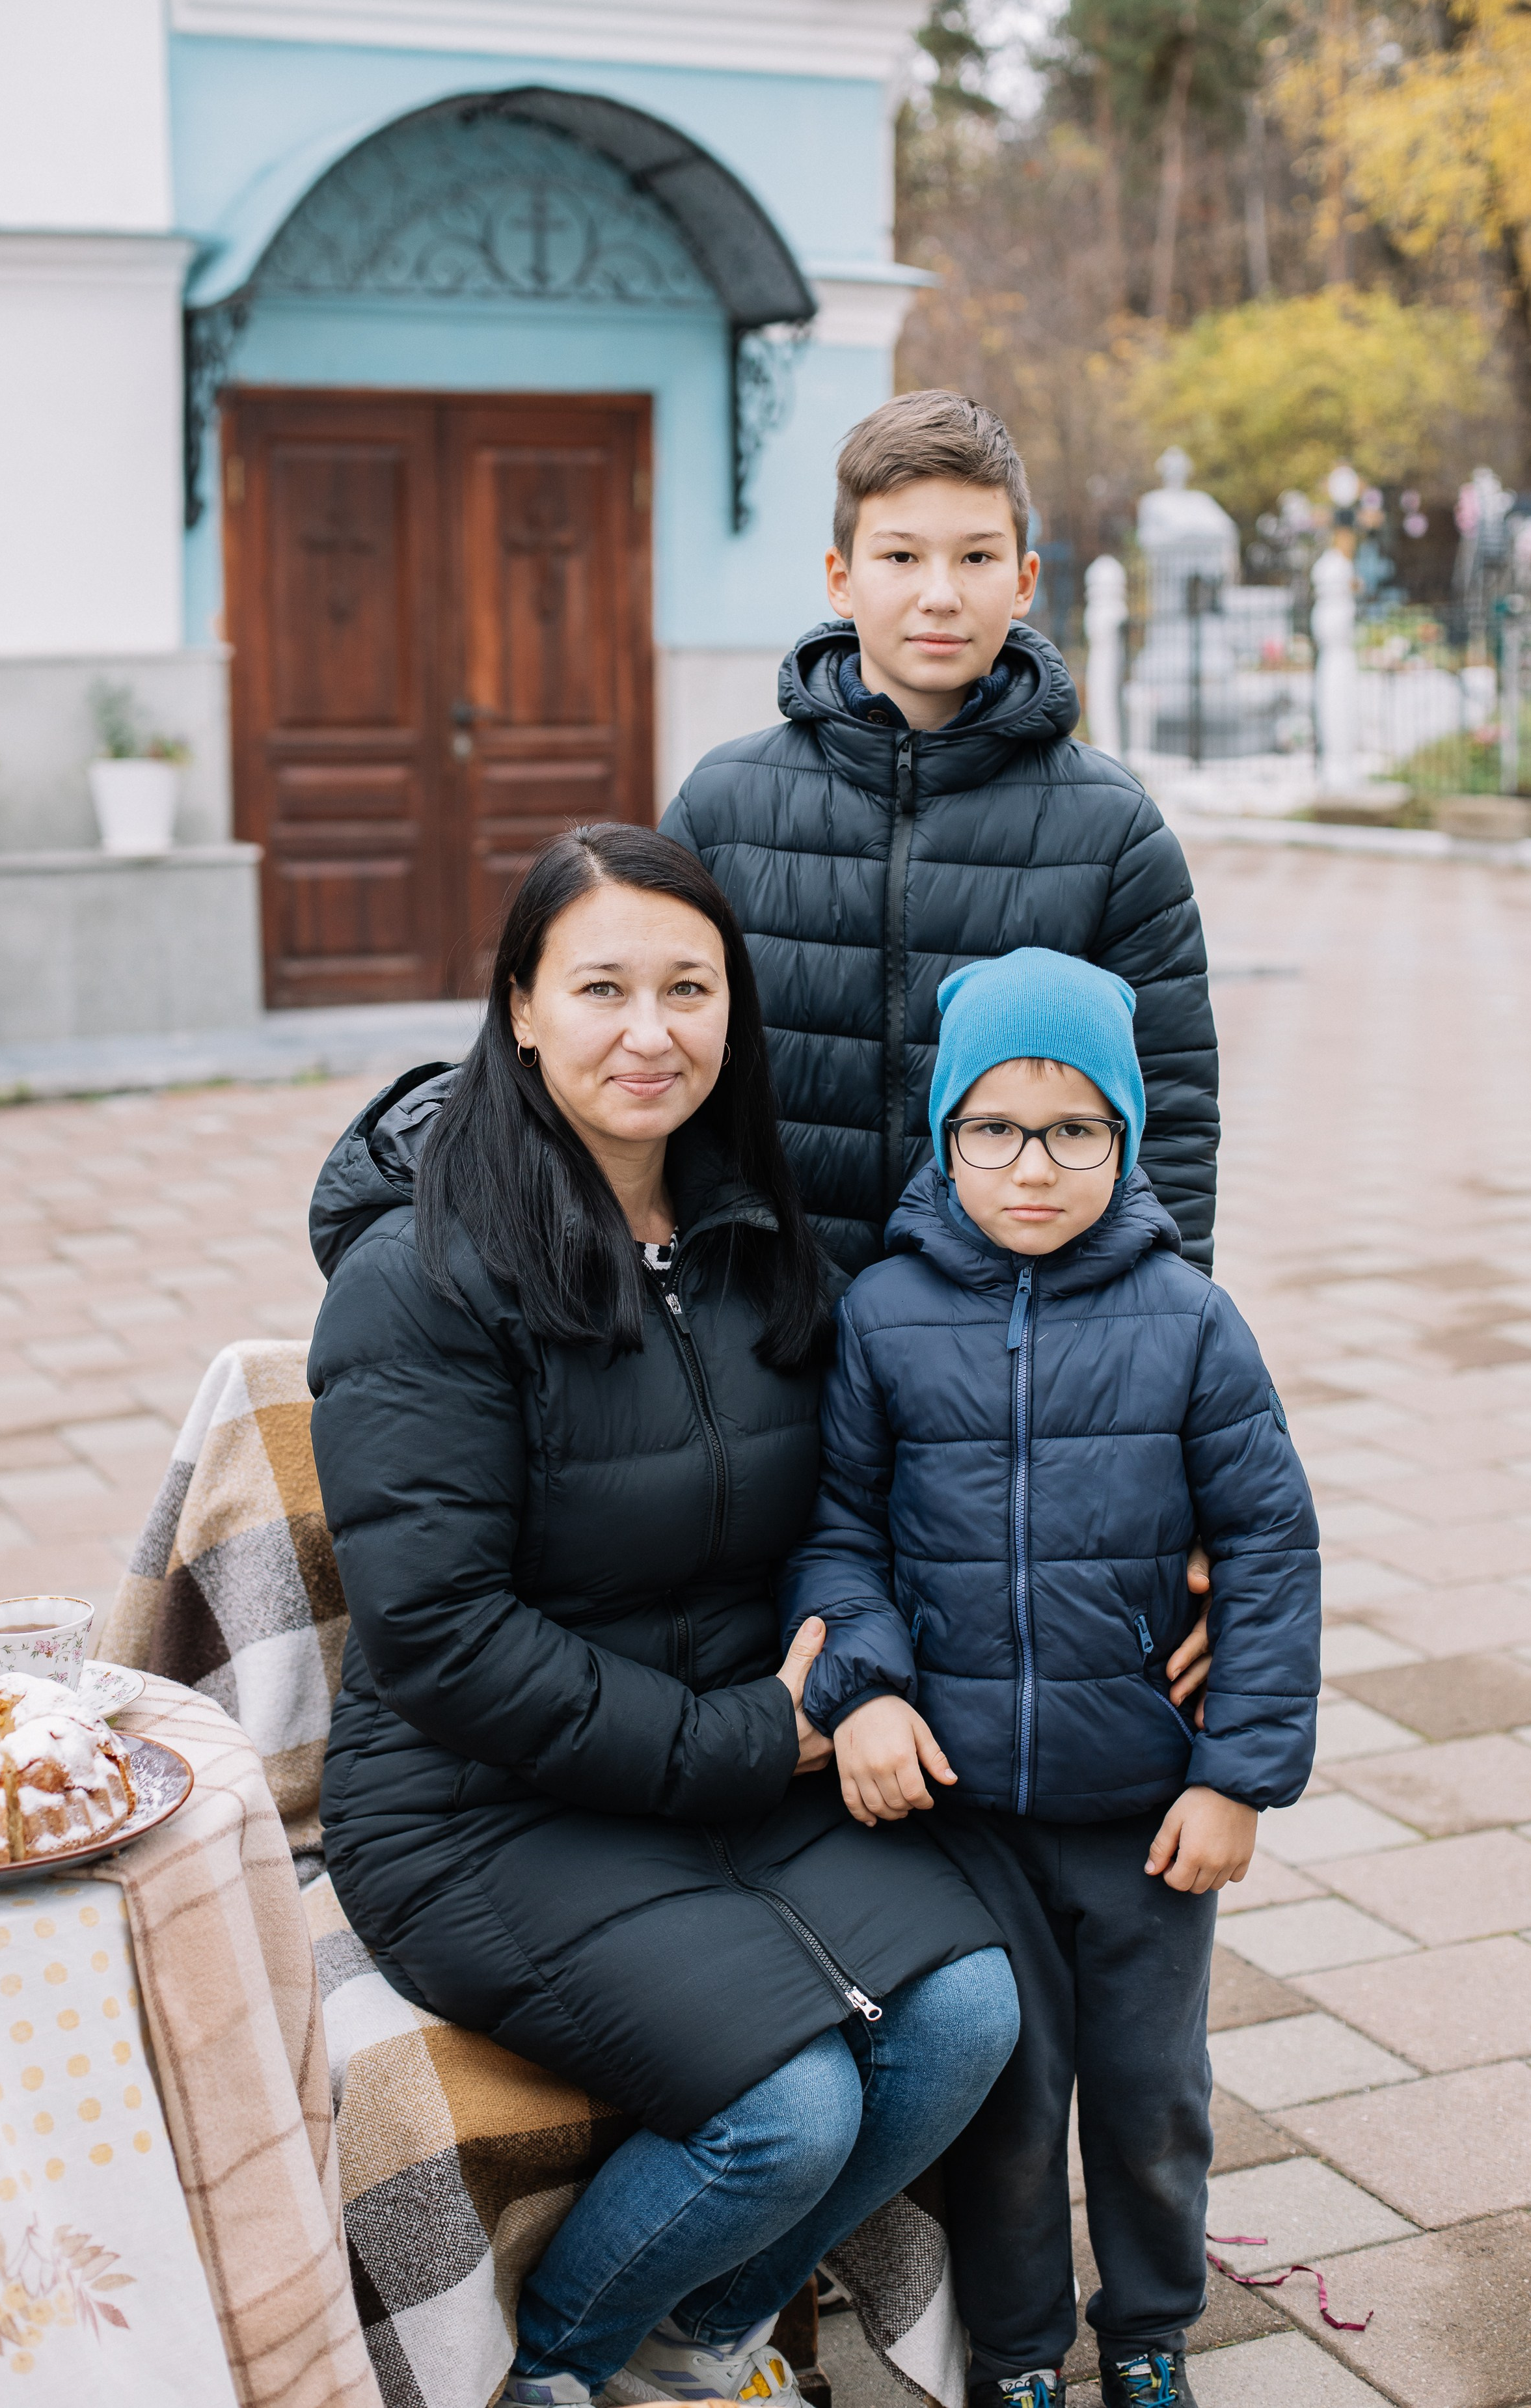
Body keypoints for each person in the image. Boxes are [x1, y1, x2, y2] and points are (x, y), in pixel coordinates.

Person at [307, 823, 1020, 2408]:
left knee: (967, 2008)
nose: (652, 1030)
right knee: (790, 2110)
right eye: (603, 987)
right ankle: (558, 2366)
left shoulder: (753, 1235)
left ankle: (693, 2338)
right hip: (481, 1806)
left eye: (689, 987)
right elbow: (438, 1635)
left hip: (724, 1772)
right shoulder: (420, 1275)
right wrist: (749, 1735)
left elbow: (865, 1501)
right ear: (518, 1007)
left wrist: (1182, 1551)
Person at [780, 948, 1320, 2408]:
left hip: (1145, 1813)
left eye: (1075, 1128)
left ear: (1127, 1136)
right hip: (966, 1817)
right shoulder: (884, 1316)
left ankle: (1147, 2330)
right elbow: (837, 1535)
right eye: (994, 1128)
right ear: (944, 1134)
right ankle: (1015, 2351)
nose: (1032, 1165)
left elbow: (1270, 1546)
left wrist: (1238, 1776)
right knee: (1006, 2107)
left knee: (1148, 2102)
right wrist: (865, 1689)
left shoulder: (1191, 1323)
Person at [662, 387, 1219, 1279]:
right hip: (765, 1330)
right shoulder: (722, 807)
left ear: (1025, 580)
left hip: (1010, 1349)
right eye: (900, 555)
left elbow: (1174, 1113)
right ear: (841, 577)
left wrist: (1148, 1333)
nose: (939, 593)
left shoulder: (1113, 830)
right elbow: (655, 1072)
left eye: (976, 557)